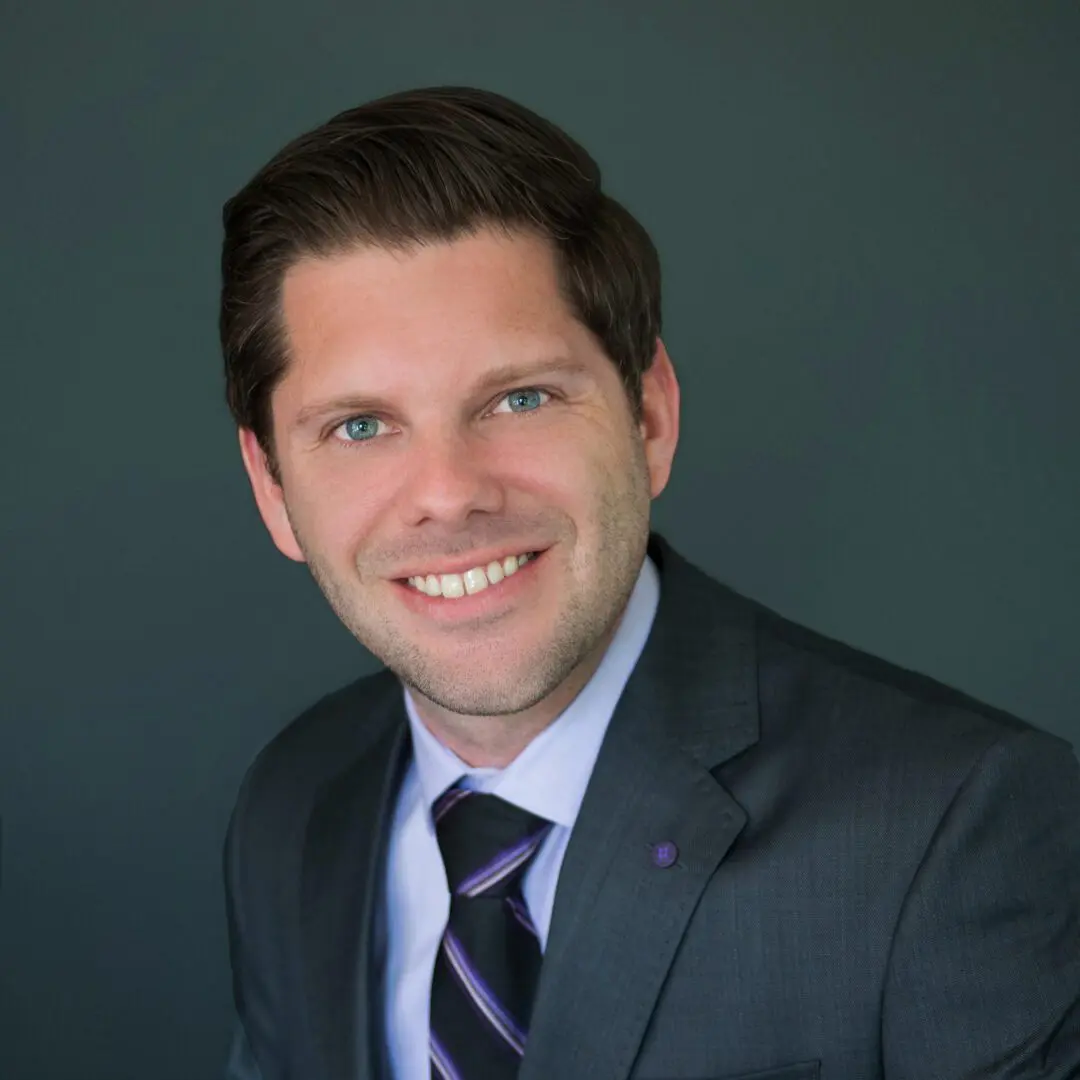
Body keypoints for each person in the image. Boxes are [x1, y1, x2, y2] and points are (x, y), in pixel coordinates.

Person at [219, 86, 1080, 1080]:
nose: (449, 496)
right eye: (360, 427)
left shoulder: (959, 831)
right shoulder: (294, 804)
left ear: (651, 416)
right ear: (273, 488)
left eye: (520, 396)